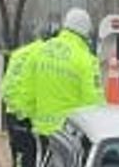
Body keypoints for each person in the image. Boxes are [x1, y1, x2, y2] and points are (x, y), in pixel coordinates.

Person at [20, 8, 103, 140]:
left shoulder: (39, 52)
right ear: (86, 33)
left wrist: (33, 118)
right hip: (68, 137)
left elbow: (26, 91)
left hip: (41, 131)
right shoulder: (87, 60)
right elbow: (93, 103)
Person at [1, 33, 48, 167]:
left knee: (19, 160)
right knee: (34, 160)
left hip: (12, 112)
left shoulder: (19, 53)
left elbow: (6, 85)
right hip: (27, 114)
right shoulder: (43, 54)